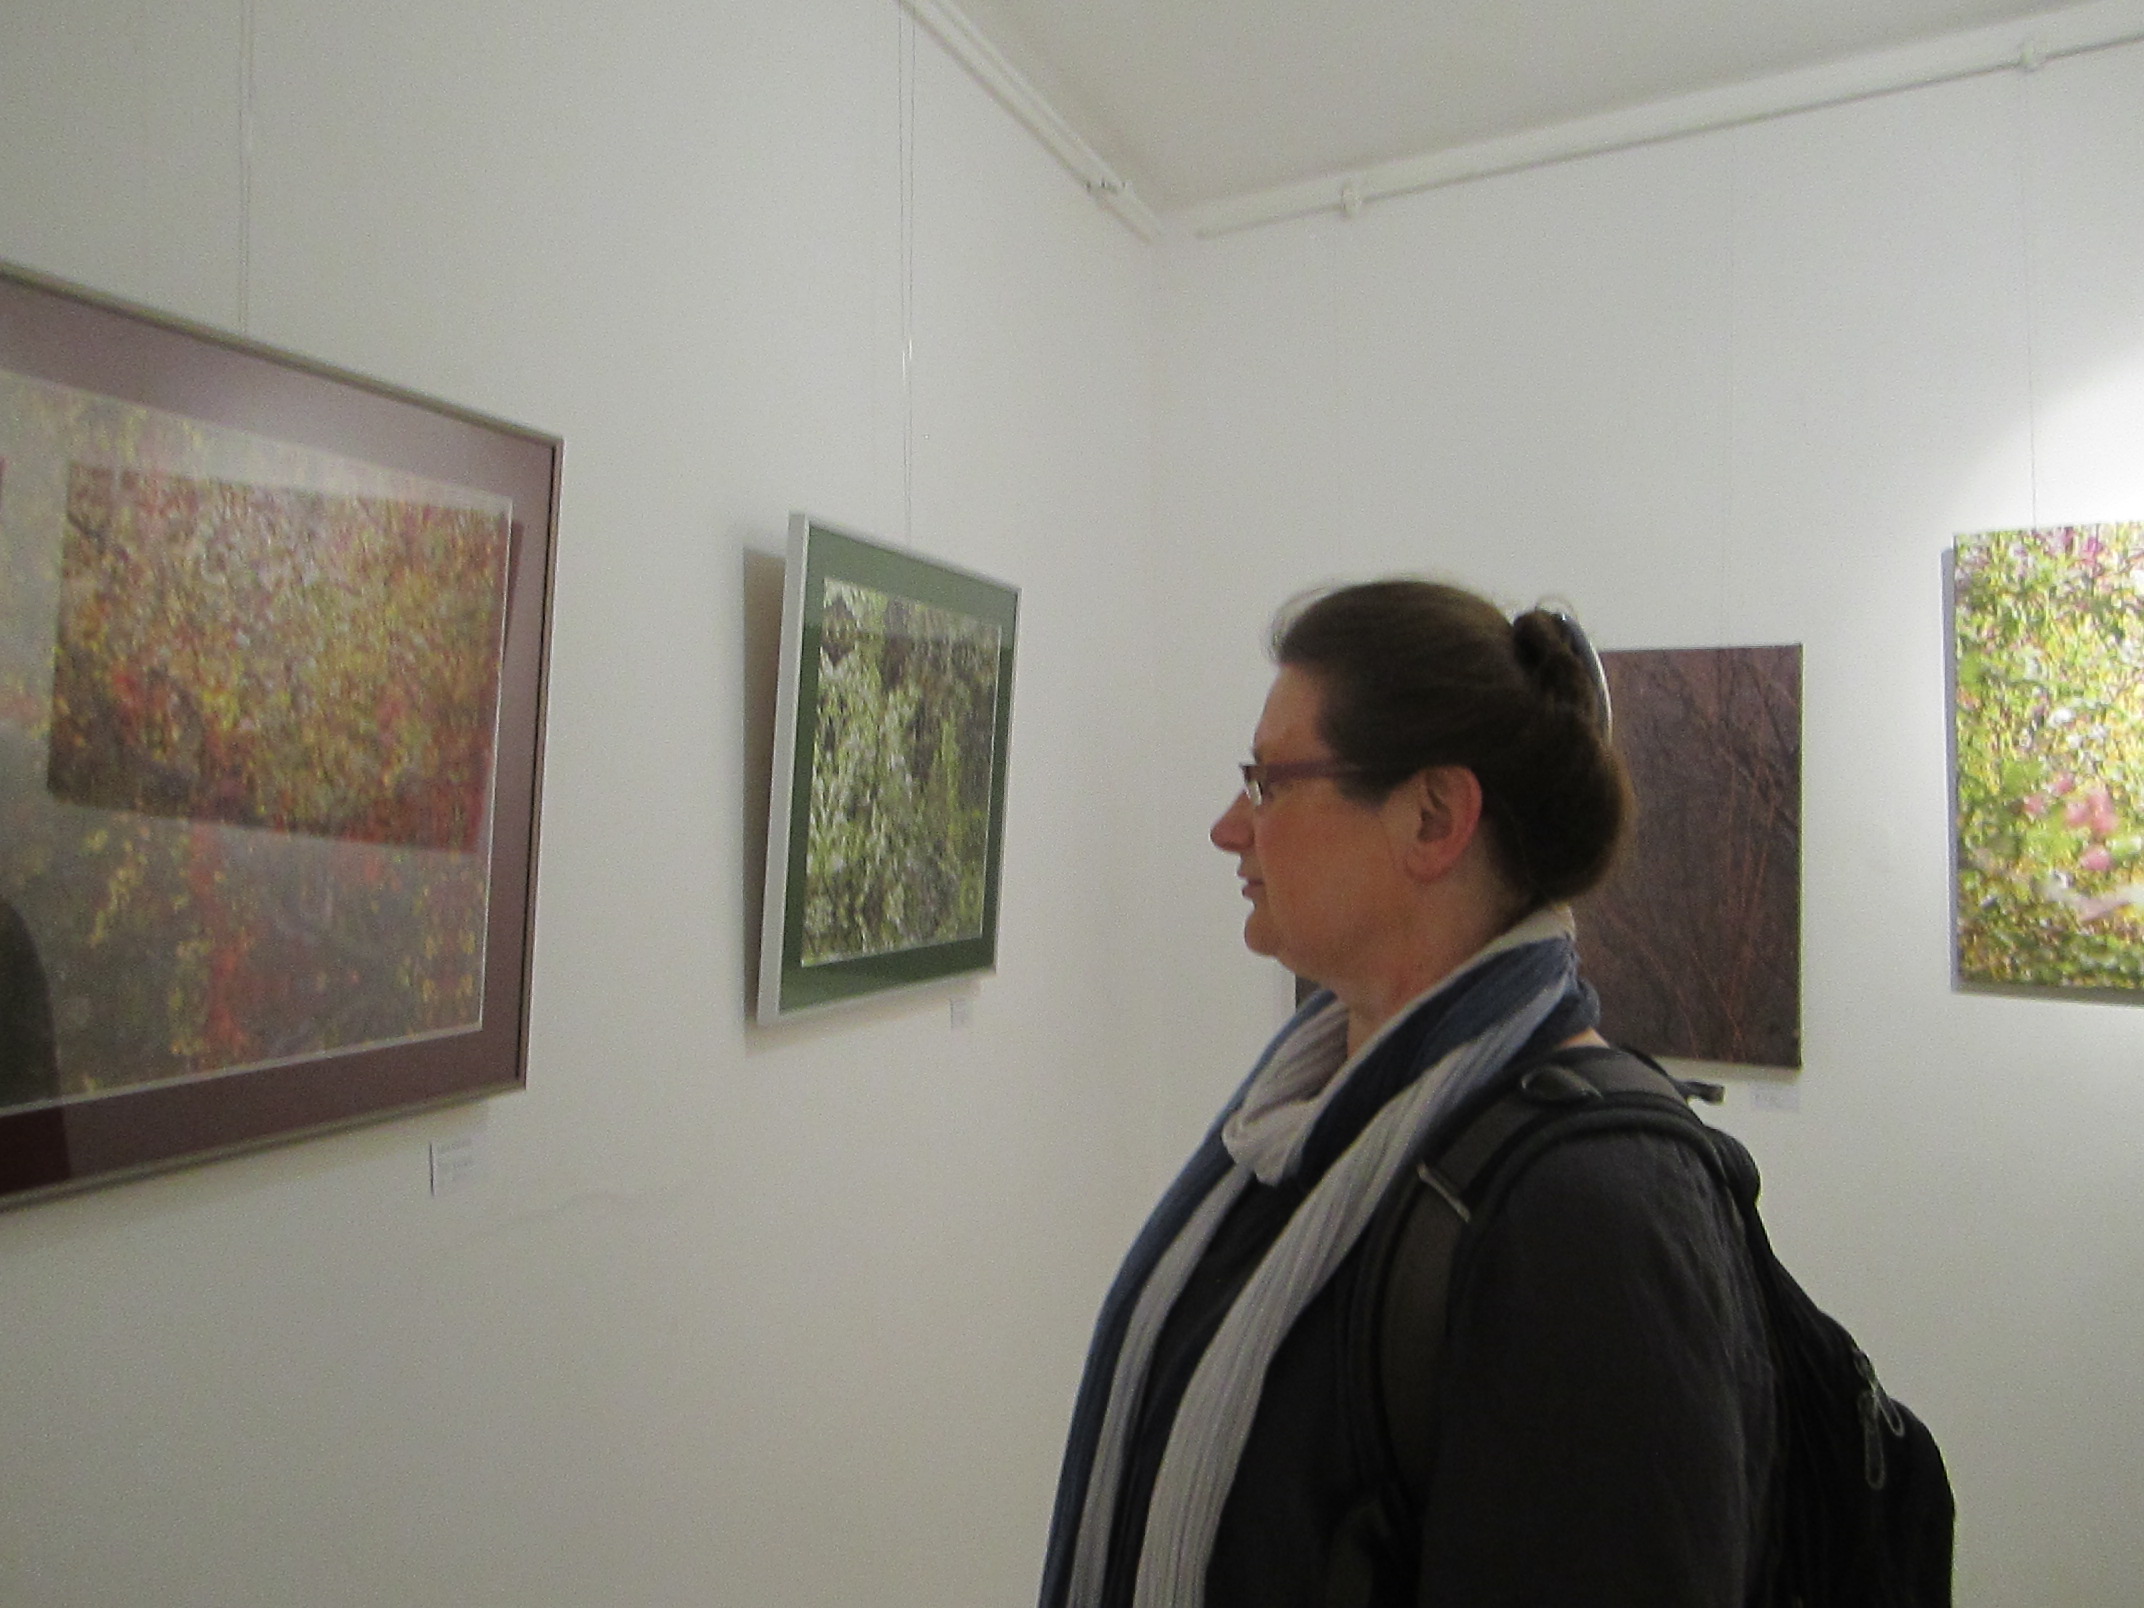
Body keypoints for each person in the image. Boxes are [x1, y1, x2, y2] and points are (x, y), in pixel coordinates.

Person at [1038, 580, 1775, 1608]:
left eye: (1267, 783)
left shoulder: (1594, 1215)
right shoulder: (1299, 1131)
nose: (1227, 828)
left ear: (1432, 818)